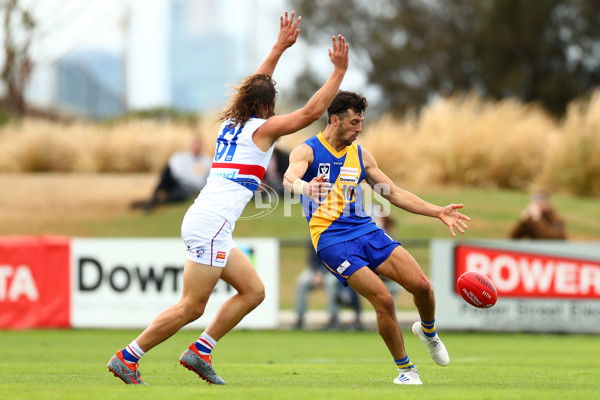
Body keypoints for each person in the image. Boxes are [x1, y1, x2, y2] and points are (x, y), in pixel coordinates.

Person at [107, 11, 350, 385]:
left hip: (209, 220)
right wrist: (338, 72)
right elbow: (313, 112)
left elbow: (257, 84)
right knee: (192, 306)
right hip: (212, 222)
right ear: (267, 107)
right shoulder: (263, 130)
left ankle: (199, 351)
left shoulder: (231, 123)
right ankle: (128, 356)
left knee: (253, 291)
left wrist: (278, 47)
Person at [283, 90, 470, 385]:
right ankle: (406, 370)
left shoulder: (361, 155)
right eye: (355, 122)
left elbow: (394, 193)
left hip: (366, 231)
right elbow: (288, 178)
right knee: (384, 300)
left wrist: (438, 212)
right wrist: (305, 188)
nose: (360, 129)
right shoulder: (307, 151)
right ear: (335, 120)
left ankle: (428, 332)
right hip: (331, 241)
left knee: (422, 287)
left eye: (361, 122)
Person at [130, 136, 211, 212]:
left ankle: (155, 201)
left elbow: (204, 181)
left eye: (198, 144)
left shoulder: (207, 161)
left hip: (189, 187)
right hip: (177, 181)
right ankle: (154, 196)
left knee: (180, 194)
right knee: (168, 171)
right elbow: (173, 167)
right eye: (194, 143)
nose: (196, 146)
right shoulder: (183, 156)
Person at [294, 241, 362, 330]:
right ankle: (300, 318)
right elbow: (311, 258)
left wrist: (322, 273)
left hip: (334, 270)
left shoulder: (335, 236)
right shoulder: (314, 234)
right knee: (301, 281)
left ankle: (333, 319)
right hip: (315, 271)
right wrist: (315, 272)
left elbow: (337, 259)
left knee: (330, 283)